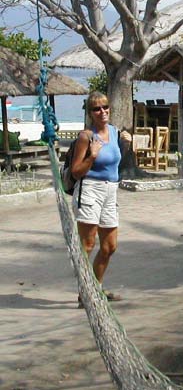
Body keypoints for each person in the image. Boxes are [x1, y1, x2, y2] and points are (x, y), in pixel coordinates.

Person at [71, 91, 132, 307]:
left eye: (105, 107)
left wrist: (126, 145)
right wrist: (92, 155)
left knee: (110, 246)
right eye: (97, 109)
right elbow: (76, 171)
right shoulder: (86, 137)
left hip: (110, 190)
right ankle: (84, 293)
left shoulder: (114, 132)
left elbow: (114, 164)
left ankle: (96, 288)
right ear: (90, 113)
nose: (102, 111)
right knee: (87, 245)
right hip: (90, 190)